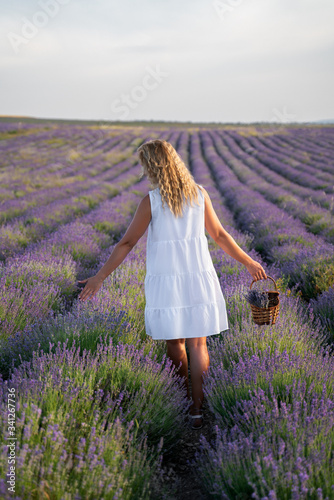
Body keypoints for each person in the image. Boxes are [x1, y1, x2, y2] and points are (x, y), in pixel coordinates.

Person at [78, 139, 267, 430]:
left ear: (151, 166)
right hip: (198, 274)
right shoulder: (199, 194)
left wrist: (100, 276)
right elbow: (220, 235)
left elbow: (127, 242)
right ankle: (197, 408)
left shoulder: (151, 201)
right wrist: (250, 262)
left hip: (166, 278)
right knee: (198, 342)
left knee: (175, 342)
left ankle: (181, 399)